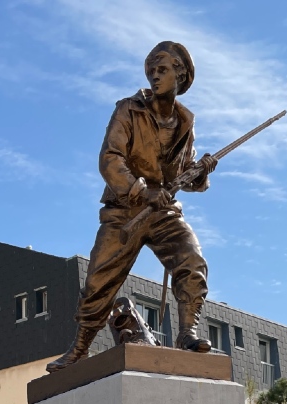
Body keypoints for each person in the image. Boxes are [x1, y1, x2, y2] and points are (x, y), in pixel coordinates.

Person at [47, 41, 218, 372]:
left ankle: (187, 332)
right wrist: (140, 190)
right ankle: (79, 349)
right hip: (126, 207)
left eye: (163, 70)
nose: (155, 76)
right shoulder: (128, 109)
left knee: (192, 259)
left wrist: (201, 173)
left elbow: (185, 173)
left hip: (164, 210)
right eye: (151, 70)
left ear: (180, 75)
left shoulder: (185, 122)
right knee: (99, 281)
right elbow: (110, 158)